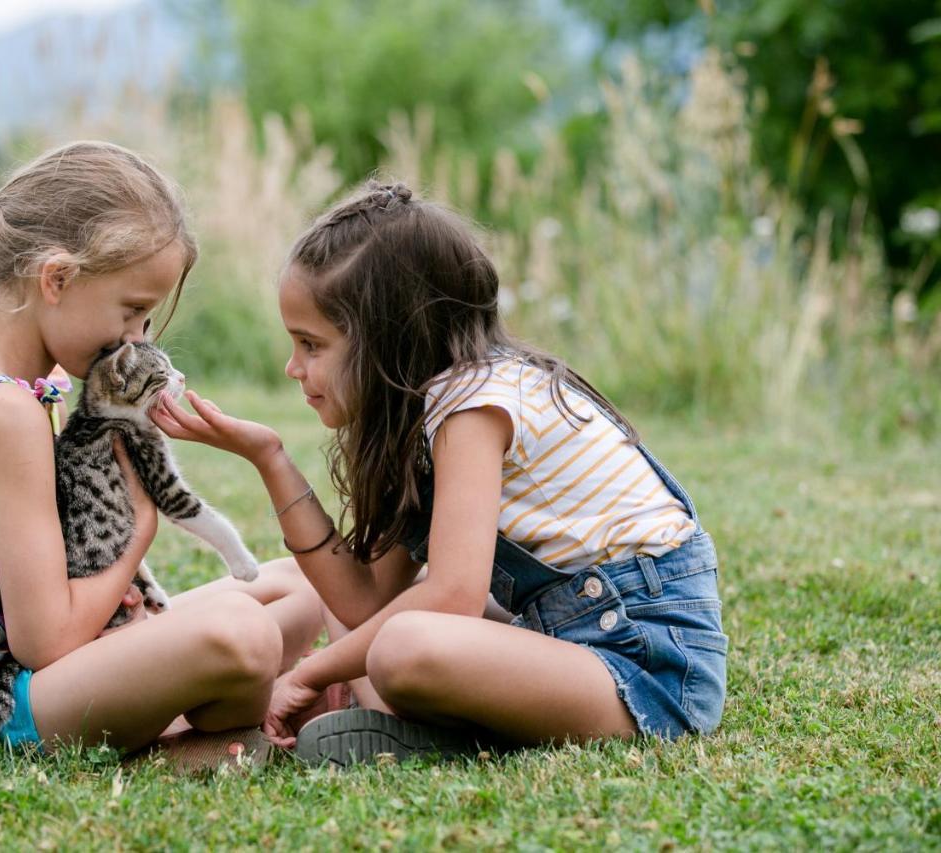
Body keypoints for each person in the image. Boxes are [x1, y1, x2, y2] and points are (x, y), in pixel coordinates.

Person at [152, 181, 728, 764]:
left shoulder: (475, 403)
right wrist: (269, 458)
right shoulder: (427, 418)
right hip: (563, 643)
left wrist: (309, 674)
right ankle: (401, 719)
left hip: (644, 671)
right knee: (376, 623)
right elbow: (360, 599)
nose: (292, 367)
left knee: (404, 645)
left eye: (311, 344)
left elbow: (453, 596)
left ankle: (436, 735)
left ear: (387, 340)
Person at [0, 140, 322, 753]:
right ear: (57, 278)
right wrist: (140, 528)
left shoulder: (19, 386)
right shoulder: (6, 411)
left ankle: (211, 711)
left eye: (146, 323)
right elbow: (46, 641)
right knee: (245, 634)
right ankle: (191, 746)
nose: (135, 339)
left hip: (30, 675)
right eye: (132, 312)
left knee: (296, 588)